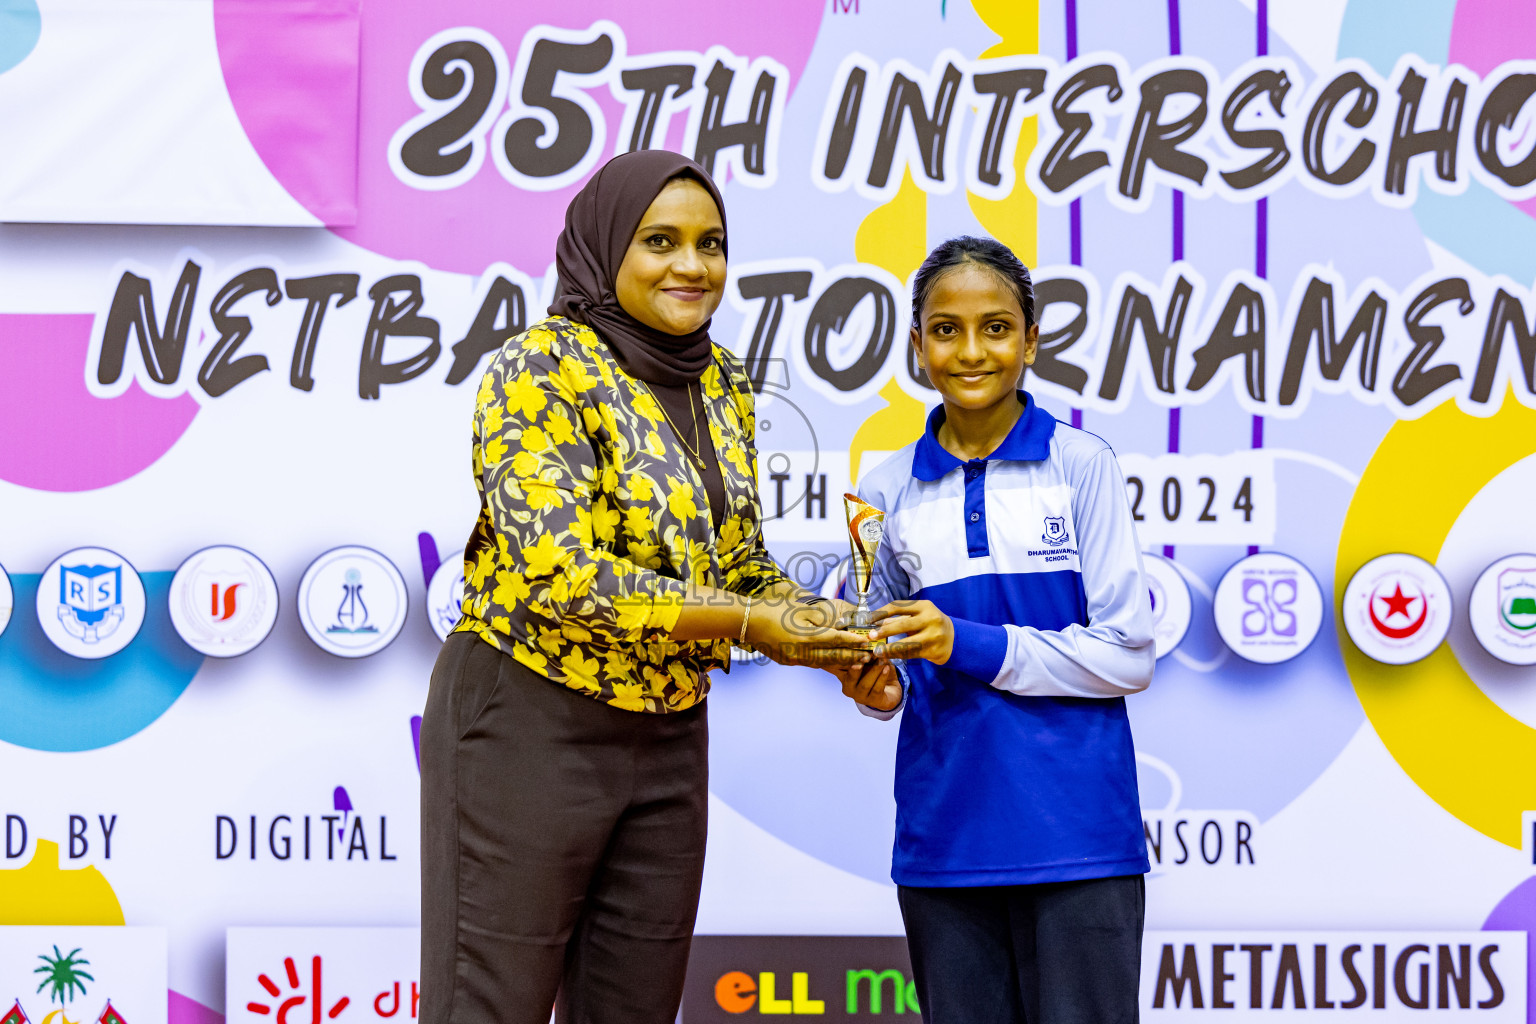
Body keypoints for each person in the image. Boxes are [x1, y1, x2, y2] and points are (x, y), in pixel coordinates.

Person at [419, 150, 867, 1024]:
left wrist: (838, 640)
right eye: (660, 240)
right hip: (529, 717)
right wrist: (750, 623)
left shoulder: (722, 380)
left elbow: (739, 565)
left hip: (667, 734)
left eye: (712, 244)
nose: (692, 266)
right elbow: (564, 574)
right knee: (488, 1006)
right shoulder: (540, 366)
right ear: (605, 246)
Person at [838, 235, 1155, 1024]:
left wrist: (962, 641)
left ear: (1031, 339)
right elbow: (883, 671)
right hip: (945, 844)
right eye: (945, 329)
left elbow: (1127, 653)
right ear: (917, 345)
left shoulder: (1082, 464)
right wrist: (871, 683)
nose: (971, 350)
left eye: (997, 327)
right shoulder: (879, 490)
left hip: (1079, 839)